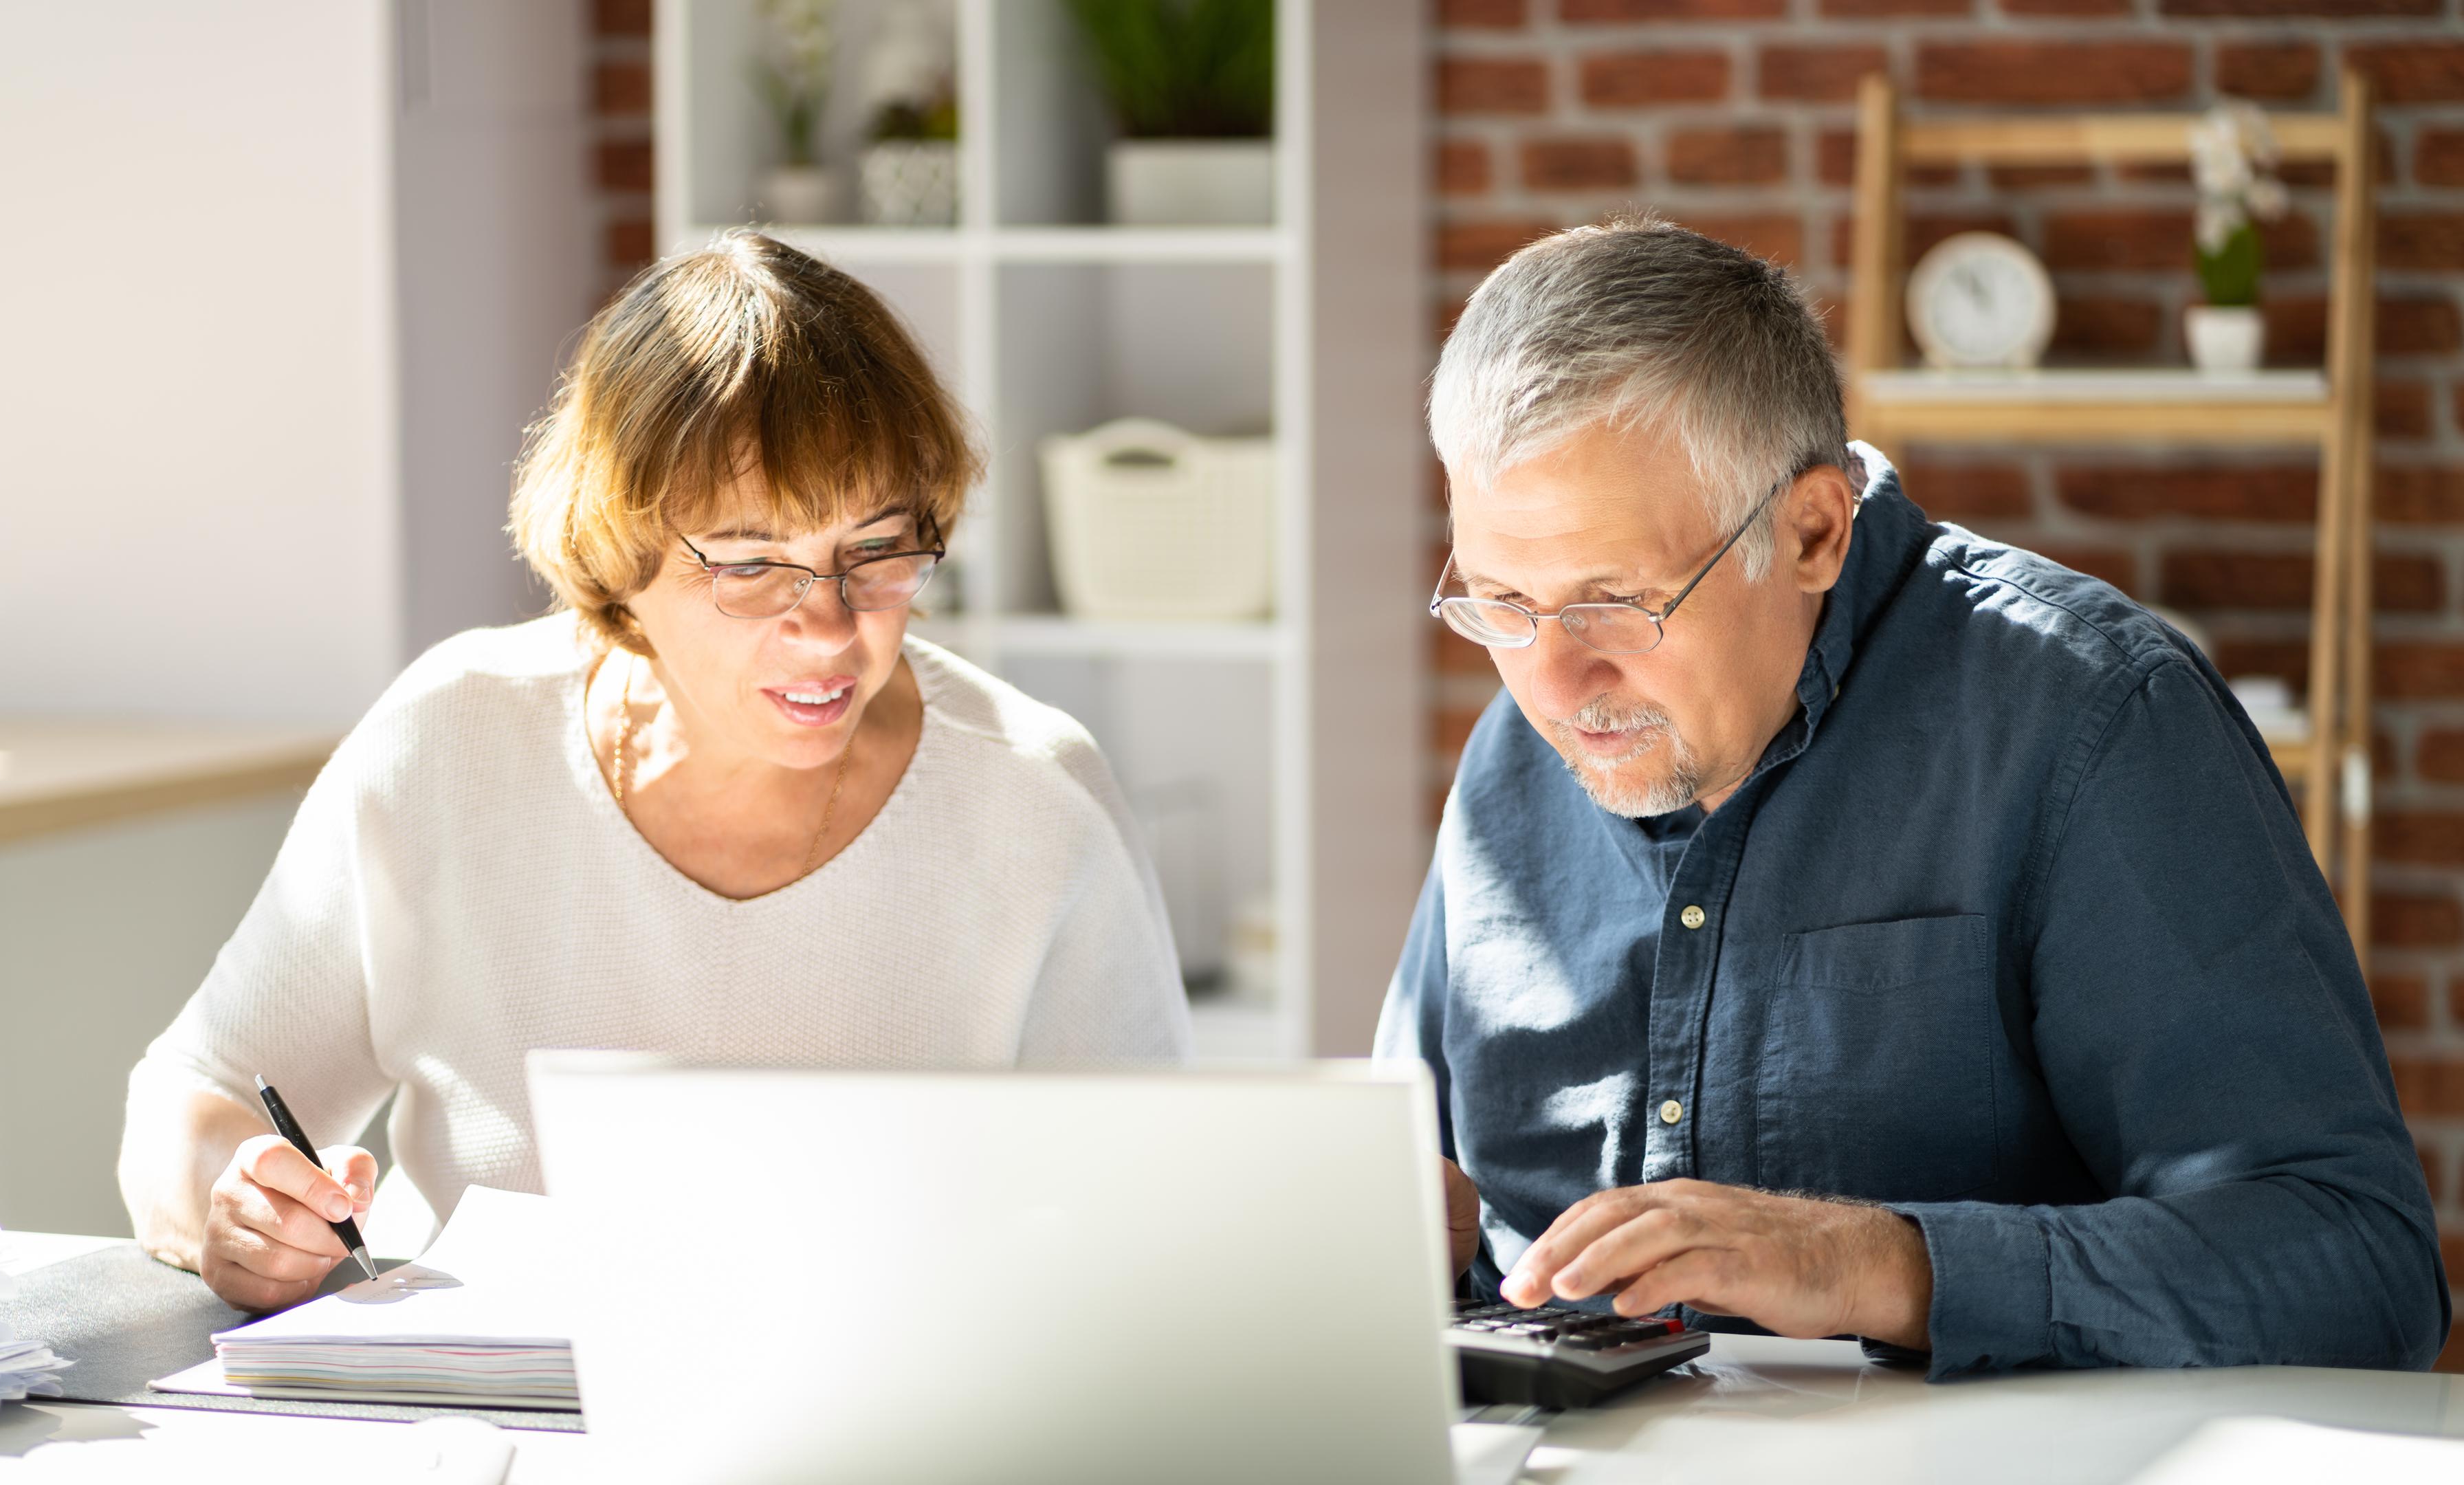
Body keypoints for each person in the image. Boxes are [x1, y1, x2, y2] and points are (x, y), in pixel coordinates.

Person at [1378, 215, 2448, 1376]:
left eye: (1617, 602)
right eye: (1499, 602)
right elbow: (1414, 1190)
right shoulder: (1517, 753)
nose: (1551, 681)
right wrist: (1393, 1244)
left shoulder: (2095, 722)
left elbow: (2361, 1265)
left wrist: (1877, 1265)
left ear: (1811, 531)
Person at [120, 233, 1191, 1311]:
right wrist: (238, 1203)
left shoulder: (1037, 802)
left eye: (875, 550)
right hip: (484, 1433)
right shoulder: (453, 744)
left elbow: (1163, 1232)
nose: (827, 626)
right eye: (749, 564)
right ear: (620, 566)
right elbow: (198, 1093)